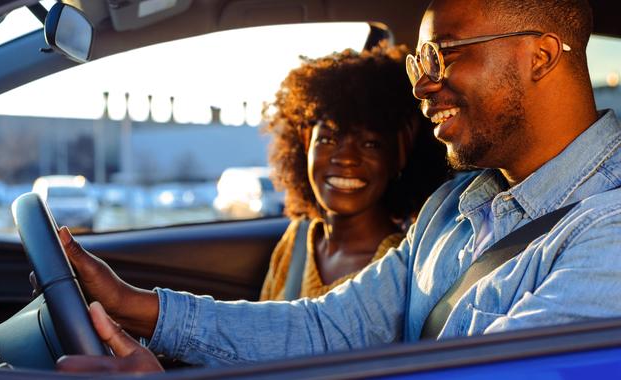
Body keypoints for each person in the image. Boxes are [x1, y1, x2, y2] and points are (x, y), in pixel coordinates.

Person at [57, 0, 621, 373]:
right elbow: (330, 328)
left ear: (540, 56)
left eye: (441, 55)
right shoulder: (453, 206)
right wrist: (138, 306)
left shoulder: (608, 231)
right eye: (417, 62)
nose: (422, 85)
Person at [259, 46, 448, 301]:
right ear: (306, 143)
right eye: (327, 140)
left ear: (401, 152)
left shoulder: (400, 263)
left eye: (370, 143)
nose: (346, 158)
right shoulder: (300, 237)